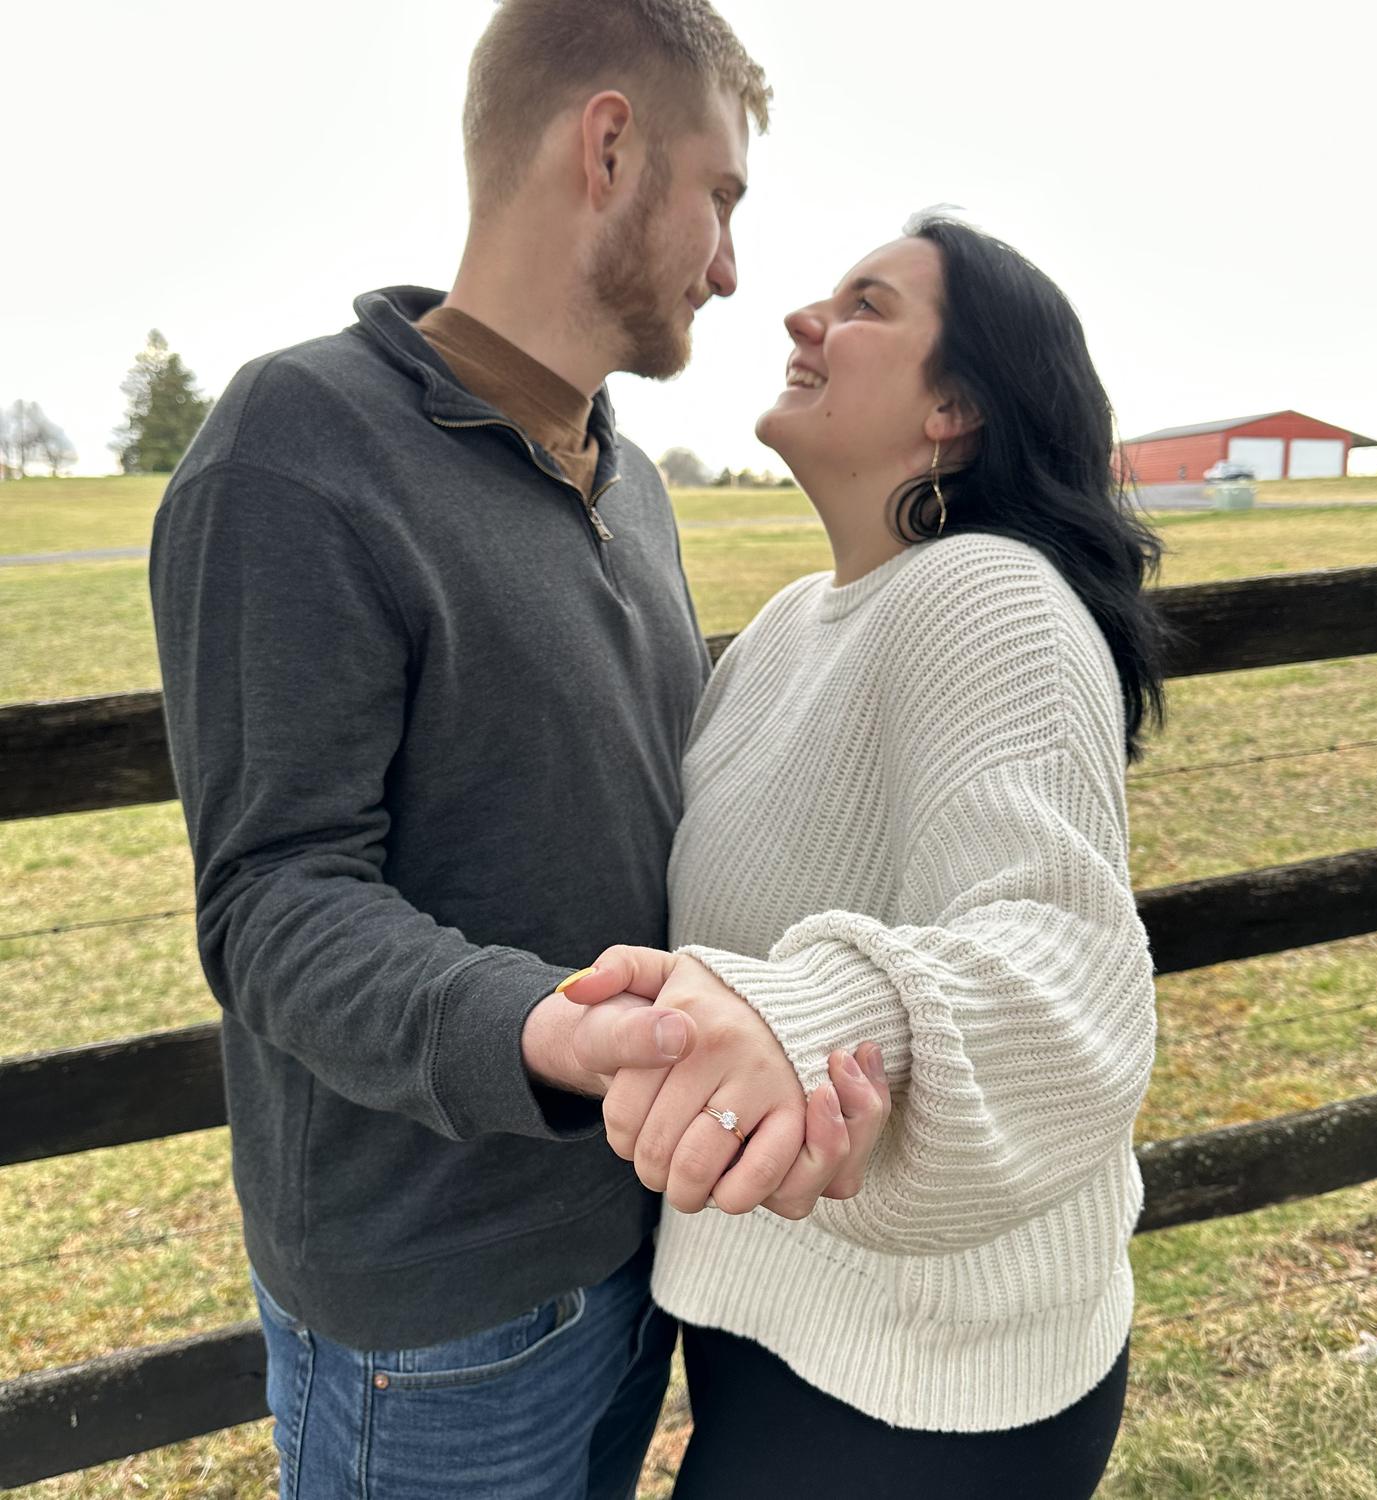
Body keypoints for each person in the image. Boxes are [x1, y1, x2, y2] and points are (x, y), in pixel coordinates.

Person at [148, 4, 887, 1497]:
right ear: (607, 148)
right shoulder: (296, 447)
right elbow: (275, 903)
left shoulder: (632, 481)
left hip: (639, 1250)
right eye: (721, 197)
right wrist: (544, 1030)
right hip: (436, 1323)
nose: (731, 269)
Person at [561, 217, 1166, 1498]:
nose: (803, 318)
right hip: (778, 1316)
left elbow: (1064, 957)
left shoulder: (991, 594)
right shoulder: (793, 623)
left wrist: (812, 1028)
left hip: (934, 1379)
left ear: (955, 410)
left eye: (867, 305)